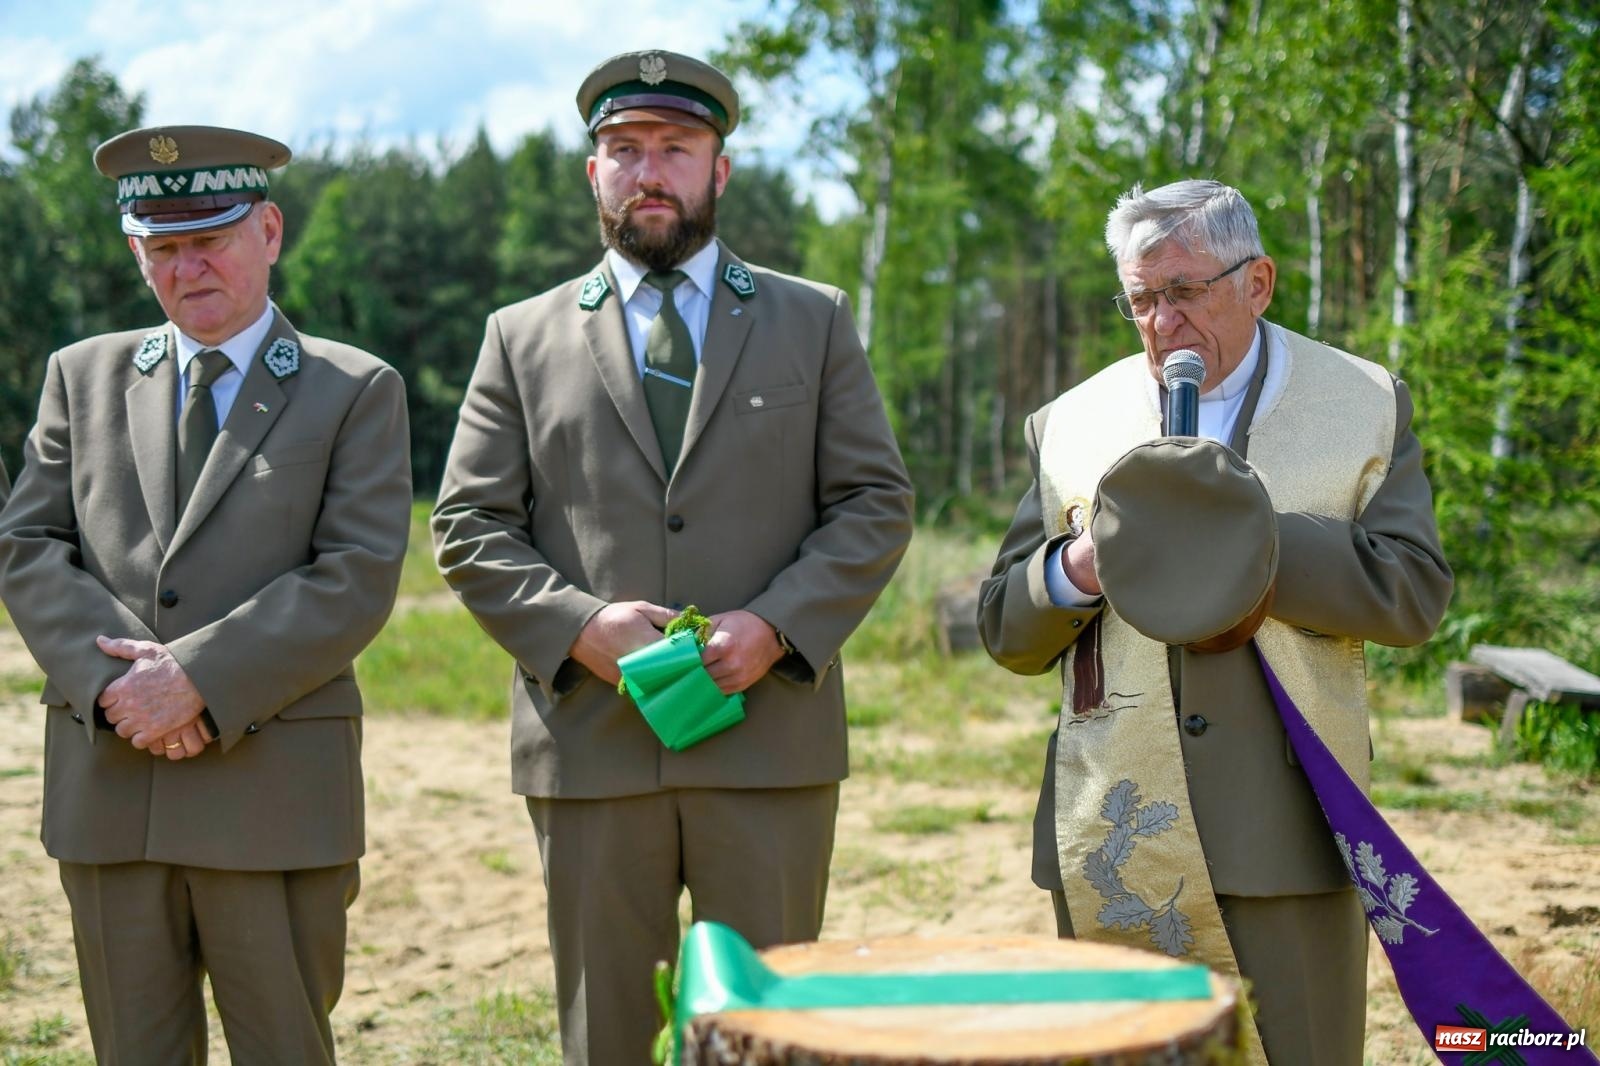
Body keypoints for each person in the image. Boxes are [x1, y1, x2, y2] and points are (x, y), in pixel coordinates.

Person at [432, 49, 914, 1065]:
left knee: (773, 1030)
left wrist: (777, 625)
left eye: (675, 148)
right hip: (593, 745)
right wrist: (578, 626)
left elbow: (873, 503)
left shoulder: (811, 319)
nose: (648, 170)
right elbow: (469, 524)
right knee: (609, 1034)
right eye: (623, 149)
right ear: (592, 172)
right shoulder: (518, 338)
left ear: (719, 170)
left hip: (767, 737)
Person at [978, 179, 1452, 1065]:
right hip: (1116, 833)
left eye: (1185, 291)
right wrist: (1080, 567)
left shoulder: (1363, 402)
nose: (1162, 322)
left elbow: (1415, 593)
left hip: (1288, 828)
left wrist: (1252, 544)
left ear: (1258, 282)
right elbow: (1006, 627)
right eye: (1141, 299)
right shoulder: (1071, 422)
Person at [0, 125, 411, 1064]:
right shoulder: (81, 376)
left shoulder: (353, 388)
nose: (189, 267)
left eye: (212, 238)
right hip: (112, 788)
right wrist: (120, 690)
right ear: (137, 253)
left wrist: (195, 678)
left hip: (270, 795)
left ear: (268, 232)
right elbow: (27, 544)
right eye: (164, 247)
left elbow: (353, 576)